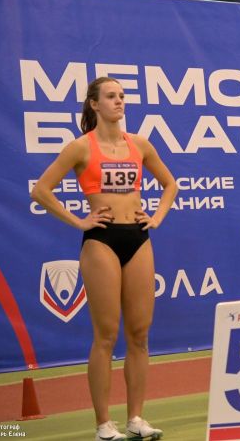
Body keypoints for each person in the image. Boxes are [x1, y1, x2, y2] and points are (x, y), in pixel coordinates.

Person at [31, 77, 177, 441]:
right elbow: (41, 190)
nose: (119, 101)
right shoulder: (80, 147)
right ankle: (103, 424)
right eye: (111, 96)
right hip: (101, 241)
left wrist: (156, 217)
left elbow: (170, 184)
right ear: (94, 104)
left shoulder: (139, 144)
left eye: (122, 96)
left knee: (139, 334)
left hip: (138, 238)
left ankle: (136, 418)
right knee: (106, 335)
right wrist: (79, 220)